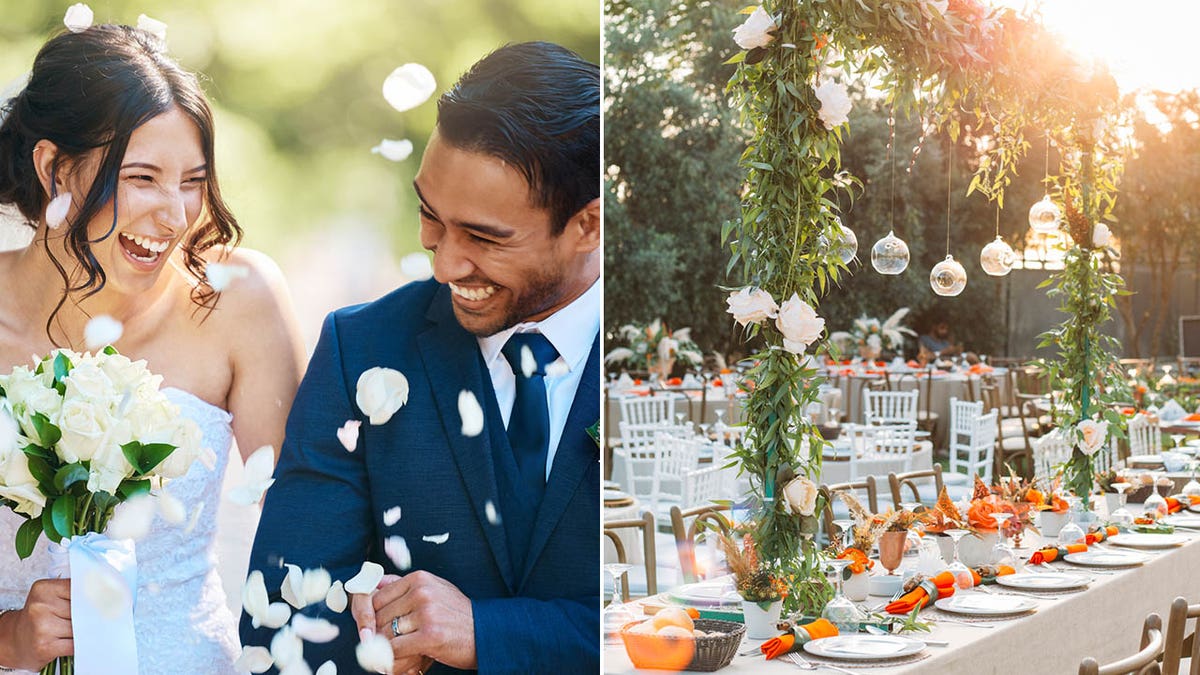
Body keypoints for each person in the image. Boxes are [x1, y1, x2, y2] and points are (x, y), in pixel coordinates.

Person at [241, 42, 600, 674]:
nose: (443, 263)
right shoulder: (361, 347)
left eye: (484, 238)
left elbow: (679, 621)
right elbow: (280, 620)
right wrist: (386, 639)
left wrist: (487, 635)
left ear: (588, 226)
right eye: (430, 217)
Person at [0, 24, 304, 674]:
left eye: (192, 181)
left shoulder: (235, 300)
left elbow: (311, 521)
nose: (175, 216)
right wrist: (8, 636)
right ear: (54, 167)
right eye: (142, 178)